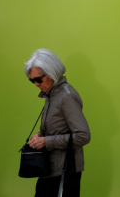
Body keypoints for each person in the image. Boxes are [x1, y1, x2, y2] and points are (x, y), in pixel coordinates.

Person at [25, 49, 91, 197]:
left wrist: (46, 141)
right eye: (32, 80)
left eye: (38, 79)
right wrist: (41, 137)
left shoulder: (66, 96)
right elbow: (60, 127)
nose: (35, 84)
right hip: (50, 168)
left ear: (51, 73)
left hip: (64, 170)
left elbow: (83, 135)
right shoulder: (52, 94)